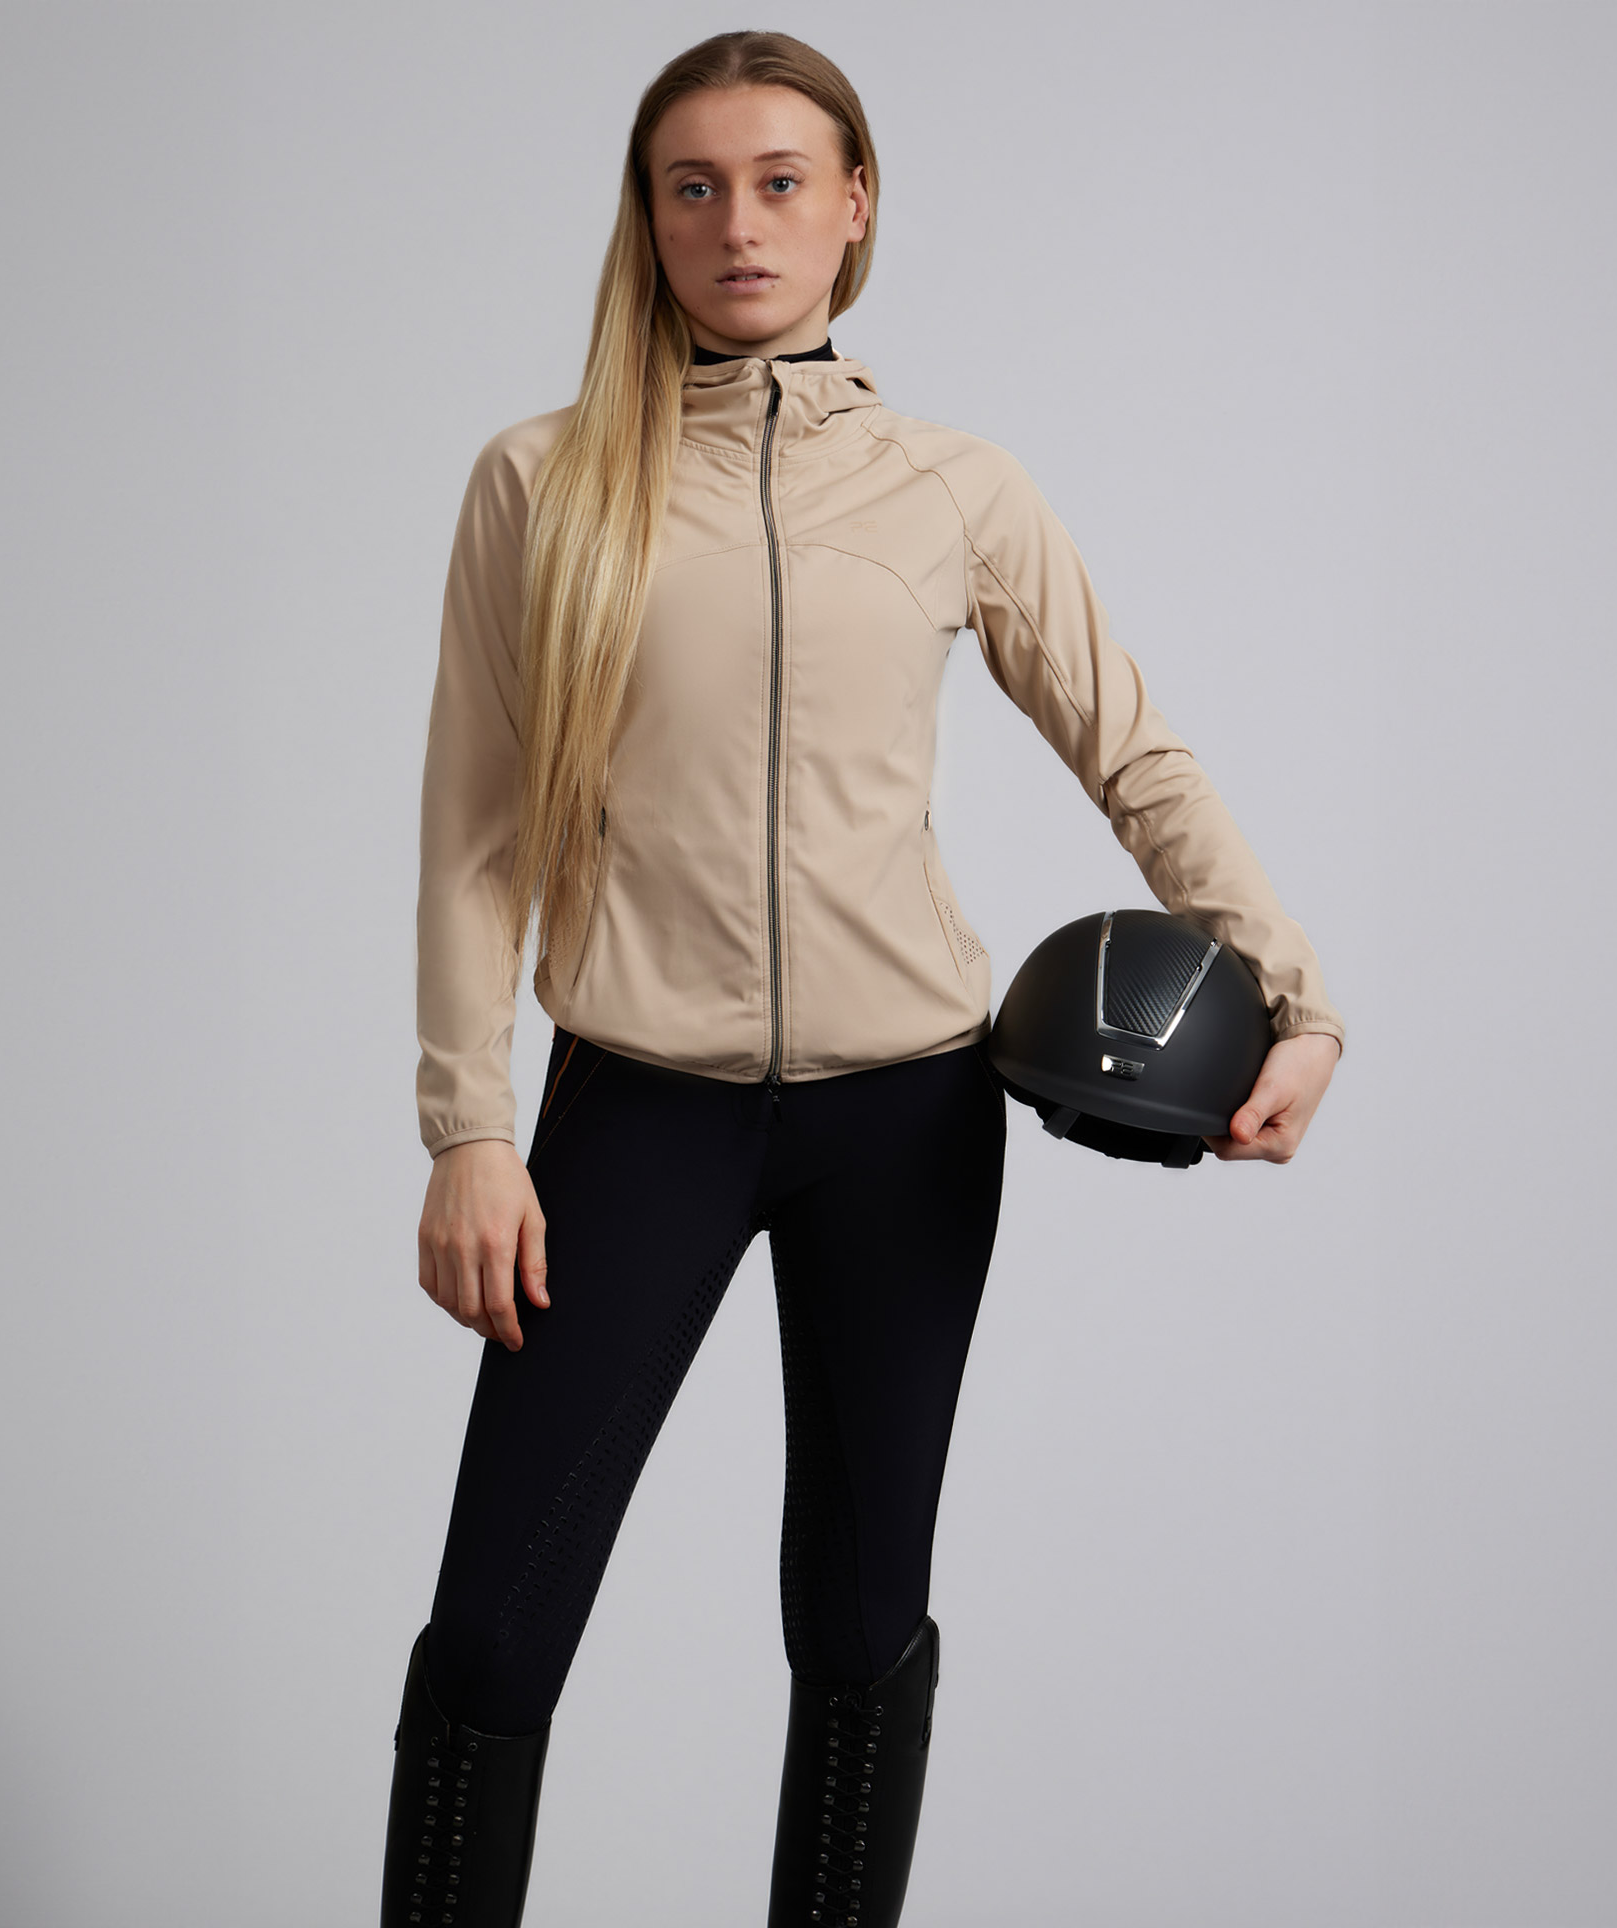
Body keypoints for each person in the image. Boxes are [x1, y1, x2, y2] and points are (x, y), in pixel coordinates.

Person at [378, 29, 1344, 1928]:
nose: (740, 223)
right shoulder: (540, 481)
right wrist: (467, 1126)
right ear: (649, 217)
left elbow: (1135, 756)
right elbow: (475, 832)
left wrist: (1296, 996)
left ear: (855, 207)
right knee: (494, 1632)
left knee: (857, 1617)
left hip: (907, 1116)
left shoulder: (954, 488)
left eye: (782, 181)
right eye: (695, 186)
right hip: (638, 1111)